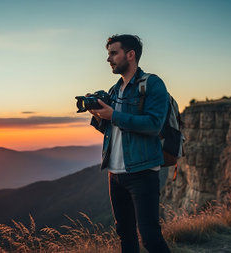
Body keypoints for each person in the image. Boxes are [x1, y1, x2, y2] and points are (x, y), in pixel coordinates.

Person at [87, 34, 171, 253]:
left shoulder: (152, 84)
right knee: (125, 236)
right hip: (115, 174)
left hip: (142, 172)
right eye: (108, 54)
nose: (109, 59)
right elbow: (111, 129)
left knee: (151, 238)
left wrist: (113, 115)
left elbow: (154, 125)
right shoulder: (115, 91)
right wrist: (98, 115)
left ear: (131, 55)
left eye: (114, 53)